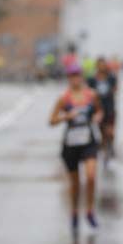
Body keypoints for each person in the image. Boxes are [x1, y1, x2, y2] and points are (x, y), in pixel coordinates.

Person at [50, 64, 103, 235]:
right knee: (75, 183)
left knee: (91, 176)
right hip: (71, 144)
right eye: (72, 76)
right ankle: (74, 212)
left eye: (77, 75)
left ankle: (89, 210)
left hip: (88, 141)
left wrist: (97, 117)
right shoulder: (64, 98)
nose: (75, 79)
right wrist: (66, 116)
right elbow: (51, 120)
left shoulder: (91, 95)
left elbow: (99, 111)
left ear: (81, 77)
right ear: (68, 78)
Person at [88, 57, 118, 165]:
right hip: (98, 108)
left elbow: (115, 89)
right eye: (99, 65)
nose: (101, 67)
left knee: (110, 131)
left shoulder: (111, 78)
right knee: (102, 132)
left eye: (103, 65)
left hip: (110, 107)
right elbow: (89, 93)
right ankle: (106, 151)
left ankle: (111, 145)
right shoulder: (92, 79)